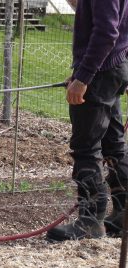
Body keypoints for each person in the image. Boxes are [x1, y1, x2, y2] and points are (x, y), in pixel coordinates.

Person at [46, 0, 128, 241]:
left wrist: (83, 78)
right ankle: (124, 215)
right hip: (113, 69)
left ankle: (90, 221)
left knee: (86, 148)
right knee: (114, 144)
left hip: (101, 74)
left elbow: (106, 32)